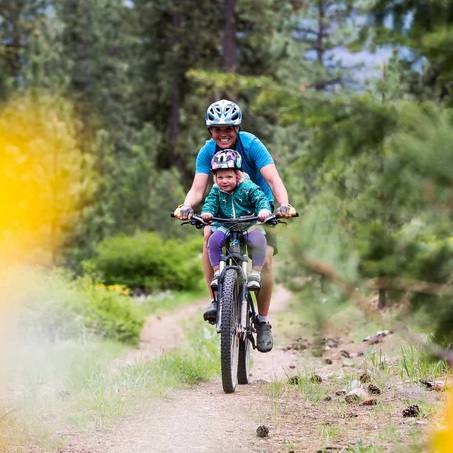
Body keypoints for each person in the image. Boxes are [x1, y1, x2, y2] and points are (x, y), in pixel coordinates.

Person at [175, 99, 294, 353]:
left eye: (228, 129)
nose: (223, 134)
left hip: (257, 210)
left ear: (237, 128)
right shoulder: (207, 151)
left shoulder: (251, 145)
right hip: (223, 210)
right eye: (217, 129)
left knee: (268, 259)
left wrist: (283, 205)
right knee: (208, 235)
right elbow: (198, 188)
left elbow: (273, 179)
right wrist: (186, 207)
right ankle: (217, 300)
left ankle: (262, 321)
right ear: (210, 131)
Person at [200, 149, 272, 292]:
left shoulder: (248, 187)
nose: (224, 181)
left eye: (229, 176)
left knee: (259, 240)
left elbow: (260, 198)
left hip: (248, 224)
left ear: (238, 175)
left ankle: (255, 273)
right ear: (215, 178)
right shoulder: (216, 191)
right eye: (220, 177)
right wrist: (207, 212)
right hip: (225, 224)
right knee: (213, 240)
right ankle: (217, 272)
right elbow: (210, 203)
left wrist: (263, 210)